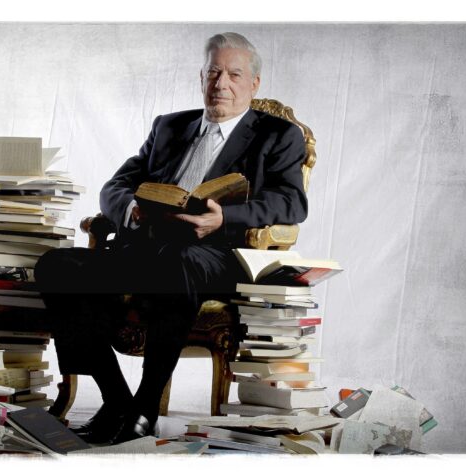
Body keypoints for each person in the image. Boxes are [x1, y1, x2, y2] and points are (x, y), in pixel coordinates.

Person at [34, 32, 308, 444]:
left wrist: (225, 217)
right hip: (146, 247)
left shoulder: (278, 134)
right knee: (57, 266)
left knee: (178, 262)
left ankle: (145, 407)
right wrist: (132, 209)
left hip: (213, 255)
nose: (221, 84)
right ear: (202, 77)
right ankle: (116, 400)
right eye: (213, 72)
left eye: (234, 74)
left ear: (254, 83)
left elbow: (291, 202)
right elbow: (115, 185)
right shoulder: (169, 126)